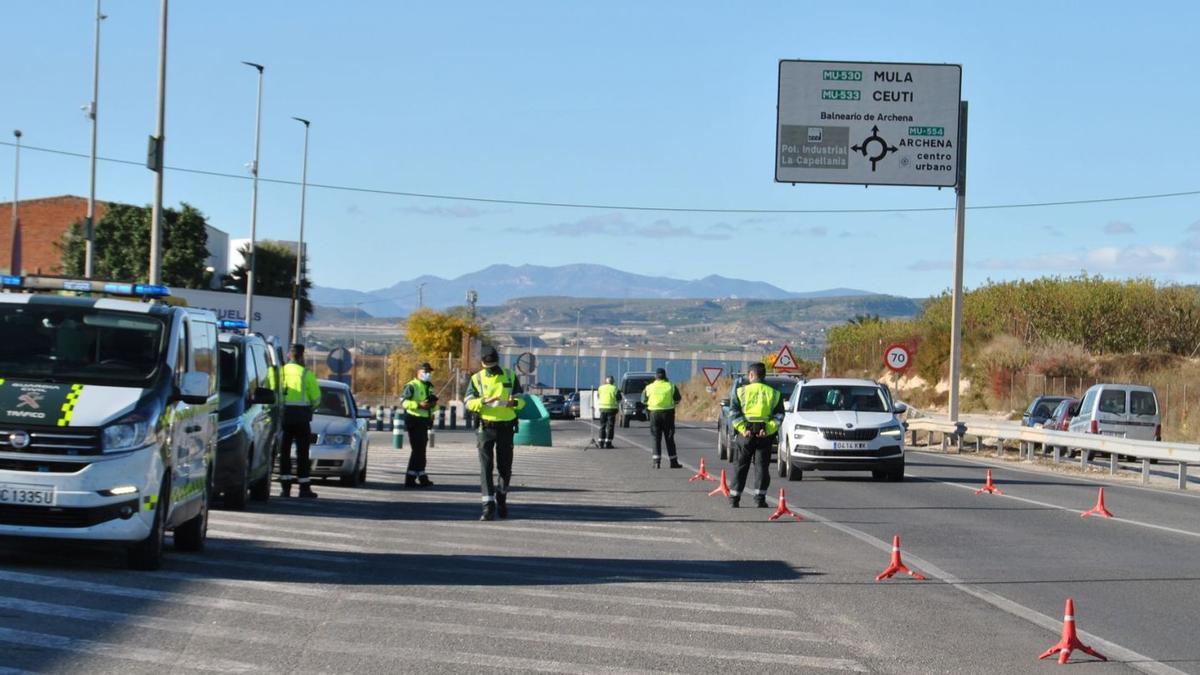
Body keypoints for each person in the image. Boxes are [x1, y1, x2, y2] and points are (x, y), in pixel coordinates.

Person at [464, 346, 525, 521]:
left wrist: (514, 403)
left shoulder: (510, 375)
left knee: (505, 468)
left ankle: (501, 496)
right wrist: (484, 400)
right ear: (483, 363)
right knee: (486, 468)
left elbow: (522, 399)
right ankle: (488, 507)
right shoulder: (476, 379)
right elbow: (468, 402)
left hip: (506, 427)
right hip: (486, 427)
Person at [728, 362, 784, 508]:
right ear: (764, 375)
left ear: (752, 375)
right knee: (761, 467)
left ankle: (734, 498)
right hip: (764, 435)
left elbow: (733, 412)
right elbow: (779, 416)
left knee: (740, 465)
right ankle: (760, 498)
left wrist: (742, 429)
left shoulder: (741, 391)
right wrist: (767, 429)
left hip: (745, 435)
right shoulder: (774, 393)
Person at [279, 344, 321, 498]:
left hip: (284, 416)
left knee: (284, 452)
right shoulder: (306, 373)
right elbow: (316, 398)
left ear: (289, 355)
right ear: (302, 356)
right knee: (302, 453)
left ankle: (285, 488)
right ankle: (304, 488)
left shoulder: (280, 372)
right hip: (302, 417)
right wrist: (311, 408)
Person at [400, 362, 438, 488]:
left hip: (424, 421)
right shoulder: (411, 386)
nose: (427, 374)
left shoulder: (429, 386)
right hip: (414, 419)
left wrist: (432, 410)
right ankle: (411, 478)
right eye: (425, 372)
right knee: (417, 450)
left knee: (421, 450)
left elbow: (432, 404)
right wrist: (418, 404)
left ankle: (421, 475)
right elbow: (404, 402)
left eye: (429, 372)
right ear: (418, 372)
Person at [642, 368, 682, 469]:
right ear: (665, 376)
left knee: (656, 438)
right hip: (668, 414)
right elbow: (678, 399)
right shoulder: (671, 386)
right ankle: (673, 462)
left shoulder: (649, 387)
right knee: (669, 438)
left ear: (656, 376)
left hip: (654, 414)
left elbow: (643, 400)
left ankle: (656, 462)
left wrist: (651, 404)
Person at [596, 375, 620, 448]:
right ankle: (608, 443)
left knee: (602, 426)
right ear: (612, 382)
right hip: (611, 409)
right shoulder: (615, 388)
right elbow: (619, 398)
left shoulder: (600, 388)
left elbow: (598, 396)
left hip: (602, 409)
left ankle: (600, 442)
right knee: (610, 426)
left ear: (606, 381)